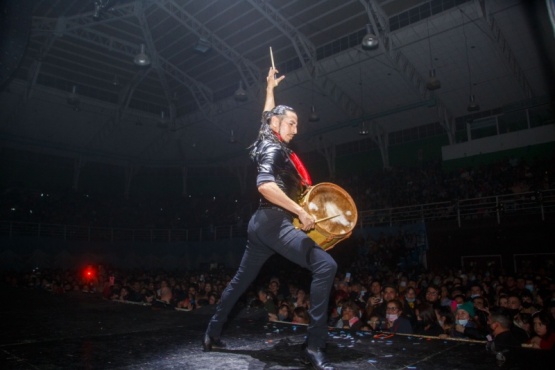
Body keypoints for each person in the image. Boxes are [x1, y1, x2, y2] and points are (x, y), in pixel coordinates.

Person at [202, 67, 338, 370]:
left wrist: (269, 88)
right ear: (278, 123)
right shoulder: (275, 149)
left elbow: (266, 114)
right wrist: (300, 211)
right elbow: (264, 186)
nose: (296, 129)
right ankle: (314, 346)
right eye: (291, 123)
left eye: (297, 123)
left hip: (260, 225)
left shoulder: (267, 134)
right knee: (326, 265)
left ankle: (212, 332)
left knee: (240, 282)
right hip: (274, 222)